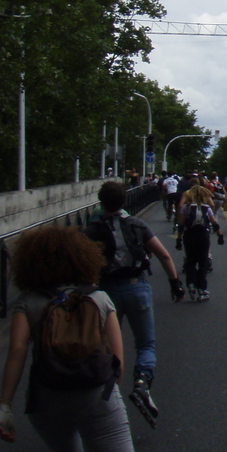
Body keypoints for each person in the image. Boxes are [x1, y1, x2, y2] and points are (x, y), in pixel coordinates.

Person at [0, 225, 166, 452]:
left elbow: (17, 351)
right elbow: (117, 359)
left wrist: (4, 407)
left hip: (47, 397)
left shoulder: (27, 302)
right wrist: (105, 394)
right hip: (96, 394)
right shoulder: (98, 298)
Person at [83, 181, 184, 428]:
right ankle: (141, 382)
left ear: (100, 202)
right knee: (145, 343)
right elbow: (163, 254)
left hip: (106, 292)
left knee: (105, 346)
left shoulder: (92, 230)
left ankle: (107, 398)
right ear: (125, 200)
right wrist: (174, 283)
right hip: (136, 286)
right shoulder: (136, 224)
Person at [181, 181, 223, 299]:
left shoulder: (186, 207)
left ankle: (190, 283)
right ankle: (202, 288)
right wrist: (220, 236)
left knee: (191, 261)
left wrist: (179, 239)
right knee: (203, 261)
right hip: (203, 235)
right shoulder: (206, 208)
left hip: (189, 235)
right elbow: (214, 223)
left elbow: (181, 224)